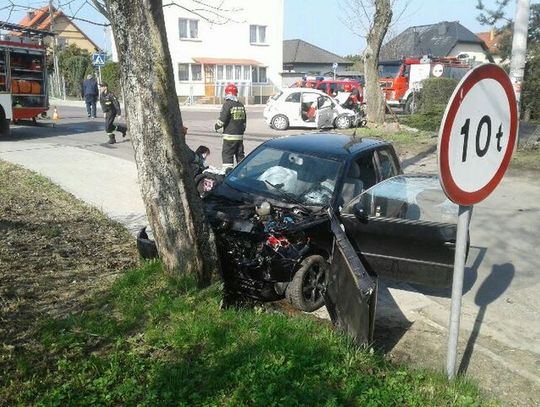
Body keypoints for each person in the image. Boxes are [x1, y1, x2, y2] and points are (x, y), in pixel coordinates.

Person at [214, 83, 246, 169]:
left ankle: (227, 173)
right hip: (239, 136)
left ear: (227, 93)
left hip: (229, 136)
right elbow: (244, 121)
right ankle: (242, 173)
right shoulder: (241, 105)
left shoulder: (227, 104)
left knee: (227, 155)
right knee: (240, 155)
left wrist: (217, 126)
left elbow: (222, 119)